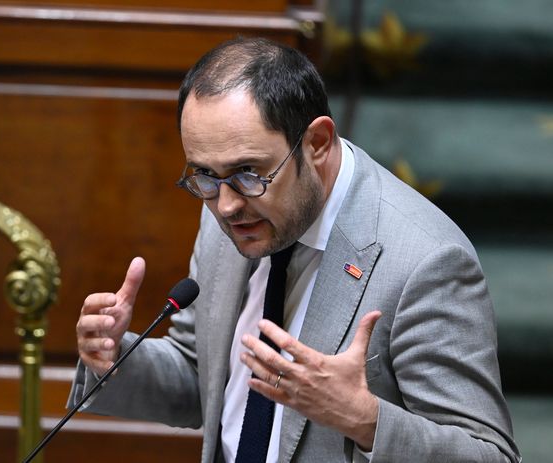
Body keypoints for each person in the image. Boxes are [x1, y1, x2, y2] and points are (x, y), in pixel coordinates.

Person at [69, 37, 520, 462]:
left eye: (249, 172)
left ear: (317, 143)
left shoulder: (425, 261)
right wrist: (116, 359)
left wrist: (364, 419)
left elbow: (488, 454)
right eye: (204, 175)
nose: (225, 206)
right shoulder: (232, 206)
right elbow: (202, 377)